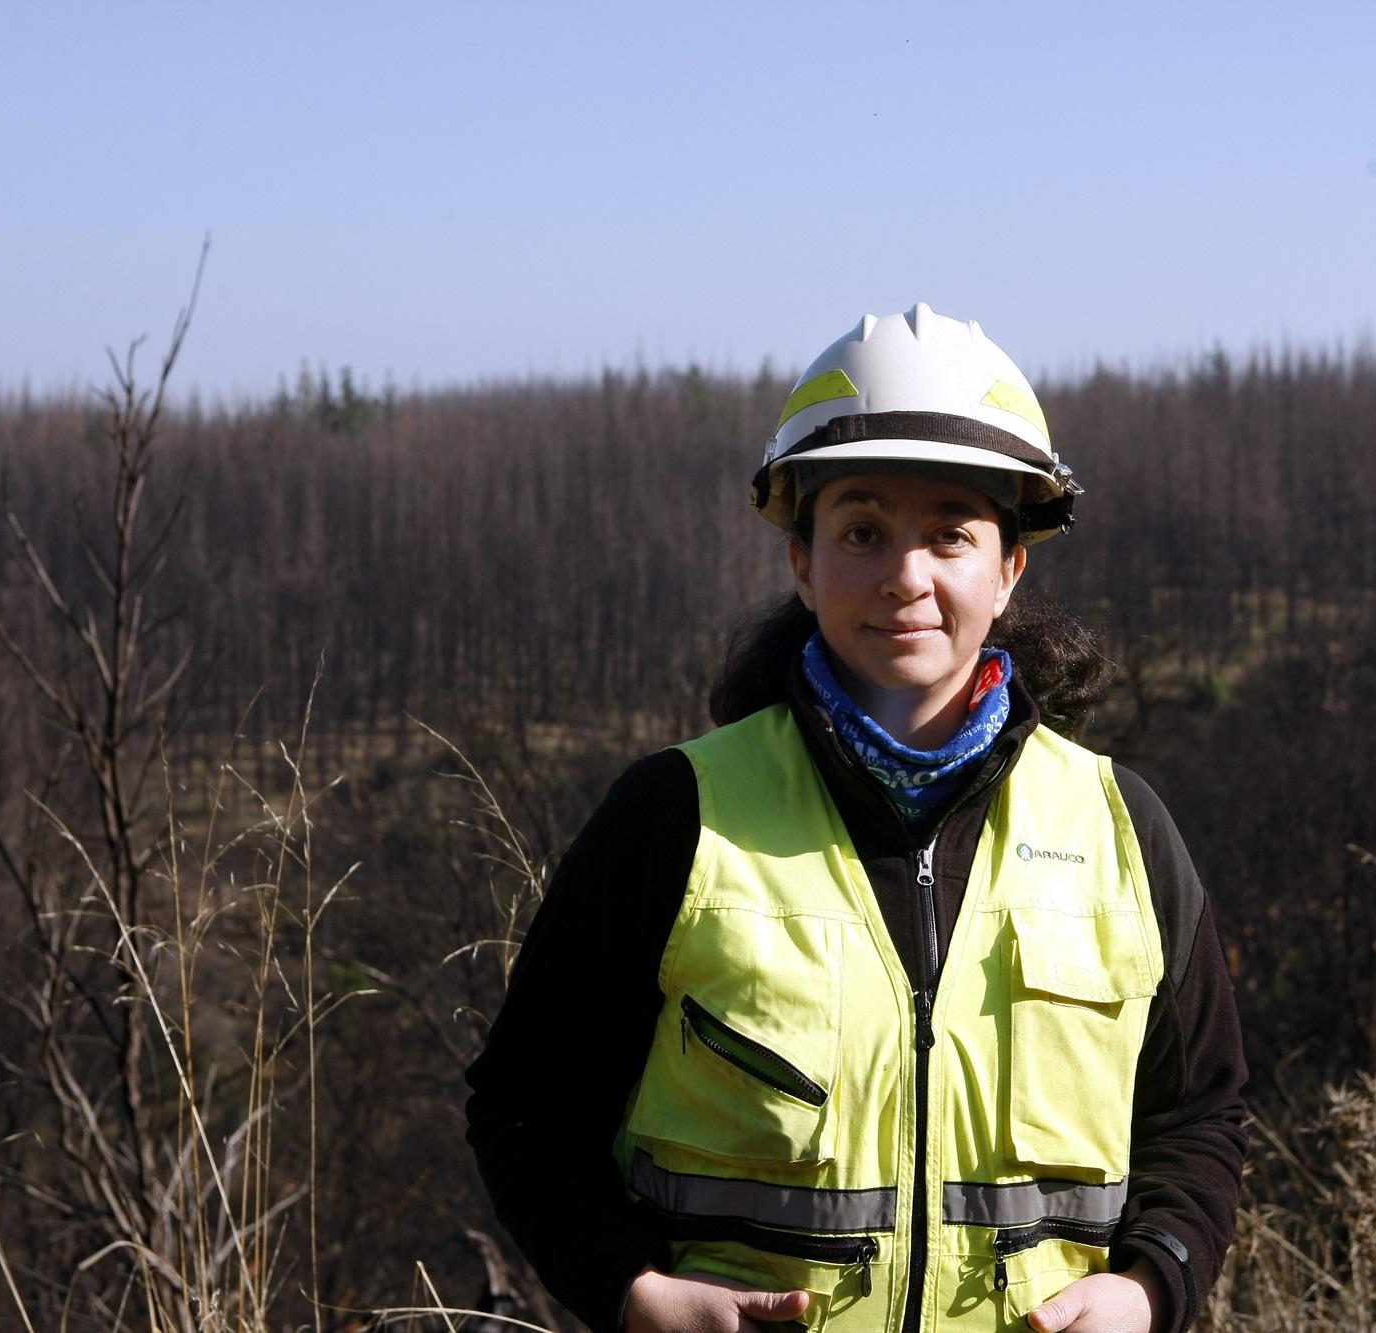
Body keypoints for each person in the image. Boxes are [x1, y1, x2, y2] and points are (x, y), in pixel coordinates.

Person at [465, 303, 1248, 1333]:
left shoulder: (1119, 830)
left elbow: (1200, 1117)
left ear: (1010, 566)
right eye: (863, 530)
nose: (905, 577)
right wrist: (635, 1290)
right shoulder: (677, 817)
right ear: (801, 558)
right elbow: (525, 1109)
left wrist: (1150, 1285)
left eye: (949, 535)